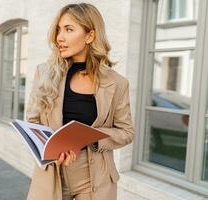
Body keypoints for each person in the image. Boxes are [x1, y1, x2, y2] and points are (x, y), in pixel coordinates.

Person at [26, 3, 134, 200]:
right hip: (52, 173)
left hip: (96, 177)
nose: (59, 37)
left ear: (90, 36)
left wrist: (89, 137)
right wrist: (52, 149)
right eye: (59, 29)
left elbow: (126, 132)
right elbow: (33, 121)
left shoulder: (117, 83)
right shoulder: (44, 73)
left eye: (69, 29)